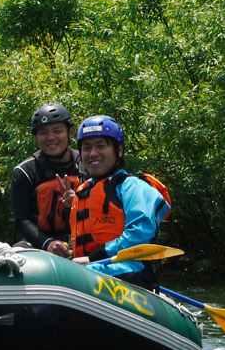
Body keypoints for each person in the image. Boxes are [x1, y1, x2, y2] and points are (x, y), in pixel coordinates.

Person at [69, 114, 170, 285]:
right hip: (88, 270)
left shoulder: (133, 186)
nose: (93, 153)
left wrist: (94, 257)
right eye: (86, 148)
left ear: (119, 150)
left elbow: (139, 234)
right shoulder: (82, 192)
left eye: (101, 146)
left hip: (129, 271)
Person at [10, 103, 82, 255]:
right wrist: (47, 243)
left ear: (70, 132)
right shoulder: (25, 172)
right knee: (14, 253)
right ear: (36, 138)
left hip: (83, 237)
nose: (51, 138)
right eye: (43, 133)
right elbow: (22, 220)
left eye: (57, 131)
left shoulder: (85, 165)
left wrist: (78, 203)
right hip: (40, 240)